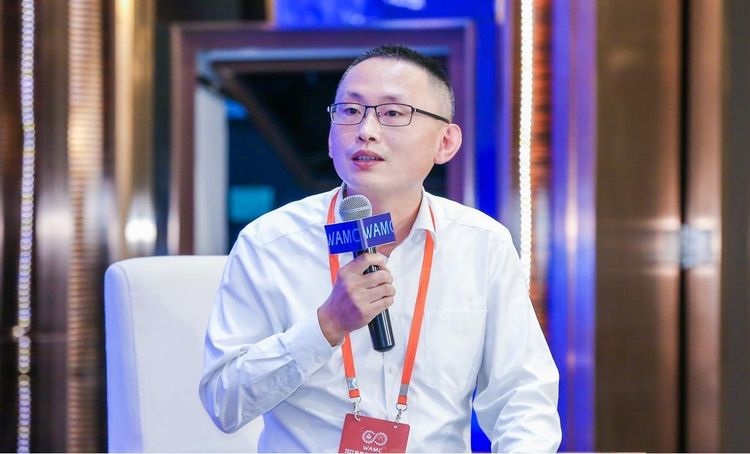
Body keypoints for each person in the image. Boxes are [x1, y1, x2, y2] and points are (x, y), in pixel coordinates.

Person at [199, 44, 561, 452]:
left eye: (392, 113)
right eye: (350, 111)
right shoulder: (270, 244)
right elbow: (223, 402)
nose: (366, 130)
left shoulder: (481, 244)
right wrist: (325, 325)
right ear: (331, 138)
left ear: (445, 142)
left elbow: (522, 398)